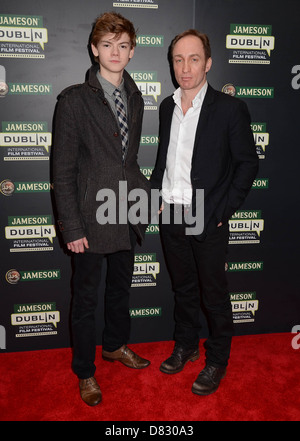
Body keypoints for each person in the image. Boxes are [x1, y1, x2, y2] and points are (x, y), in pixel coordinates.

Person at [150, 30, 258, 395]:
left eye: (193, 59)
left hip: (207, 216)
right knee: (183, 289)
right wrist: (155, 201)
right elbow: (163, 160)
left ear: (208, 63)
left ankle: (217, 360)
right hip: (171, 214)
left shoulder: (230, 109)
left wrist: (221, 211)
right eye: (178, 59)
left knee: (214, 294)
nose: (185, 67)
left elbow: (247, 165)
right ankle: (185, 345)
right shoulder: (166, 106)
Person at [52, 12, 151, 407]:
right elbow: (62, 170)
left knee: (120, 291)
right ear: (94, 49)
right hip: (90, 219)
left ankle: (114, 346)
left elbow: (129, 161)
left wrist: (146, 199)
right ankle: (85, 371)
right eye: (107, 44)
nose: (115, 52)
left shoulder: (136, 97)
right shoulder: (74, 100)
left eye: (122, 45)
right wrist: (72, 228)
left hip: (125, 213)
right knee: (86, 298)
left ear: (131, 52)